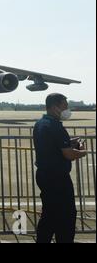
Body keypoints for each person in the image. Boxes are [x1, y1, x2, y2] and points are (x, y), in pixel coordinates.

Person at [34, 93, 87, 243]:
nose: (67, 110)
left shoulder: (41, 124)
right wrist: (83, 151)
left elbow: (52, 146)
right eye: (65, 106)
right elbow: (69, 154)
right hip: (57, 179)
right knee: (66, 216)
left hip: (44, 175)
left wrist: (68, 141)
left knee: (49, 215)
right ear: (55, 107)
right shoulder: (56, 126)